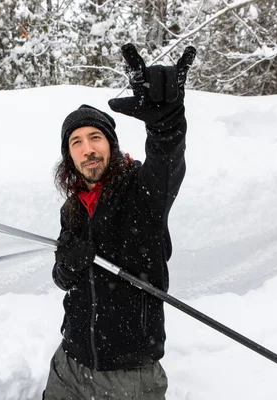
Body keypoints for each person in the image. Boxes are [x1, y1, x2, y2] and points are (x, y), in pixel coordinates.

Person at [43, 43, 196, 400]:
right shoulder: (72, 209)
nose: (87, 148)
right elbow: (62, 279)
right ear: (69, 155)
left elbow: (167, 164)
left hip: (129, 376)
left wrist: (167, 126)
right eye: (76, 142)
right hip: (70, 363)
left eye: (95, 137)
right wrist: (67, 266)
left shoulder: (142, 190)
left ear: (110, 144)